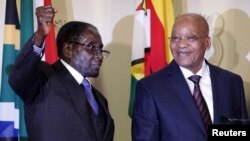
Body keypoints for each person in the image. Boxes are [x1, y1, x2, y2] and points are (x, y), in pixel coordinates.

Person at [132, 13, 249, 141]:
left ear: (208, 43)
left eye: (191, 38)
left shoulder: (232, 83)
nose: (181, 45)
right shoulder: (151, 88)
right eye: (175, 38)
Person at [8, 5, 114, 141]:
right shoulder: (44, 78)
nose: (99, 56)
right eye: (92, 47)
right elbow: (19, 77)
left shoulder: (99, 99)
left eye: (100, 49)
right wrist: (40, 35)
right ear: (68, 49)